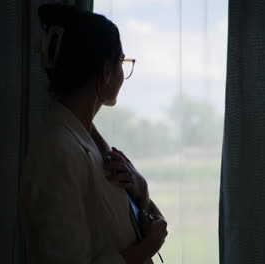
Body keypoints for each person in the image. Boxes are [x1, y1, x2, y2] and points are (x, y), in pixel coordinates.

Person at [19, 4, 167, 264]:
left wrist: (141, 191)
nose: (124, 72)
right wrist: (149, 246)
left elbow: (127, 223)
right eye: (122, 62)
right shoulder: (58, 153)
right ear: (106, 73)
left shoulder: (90, 143)